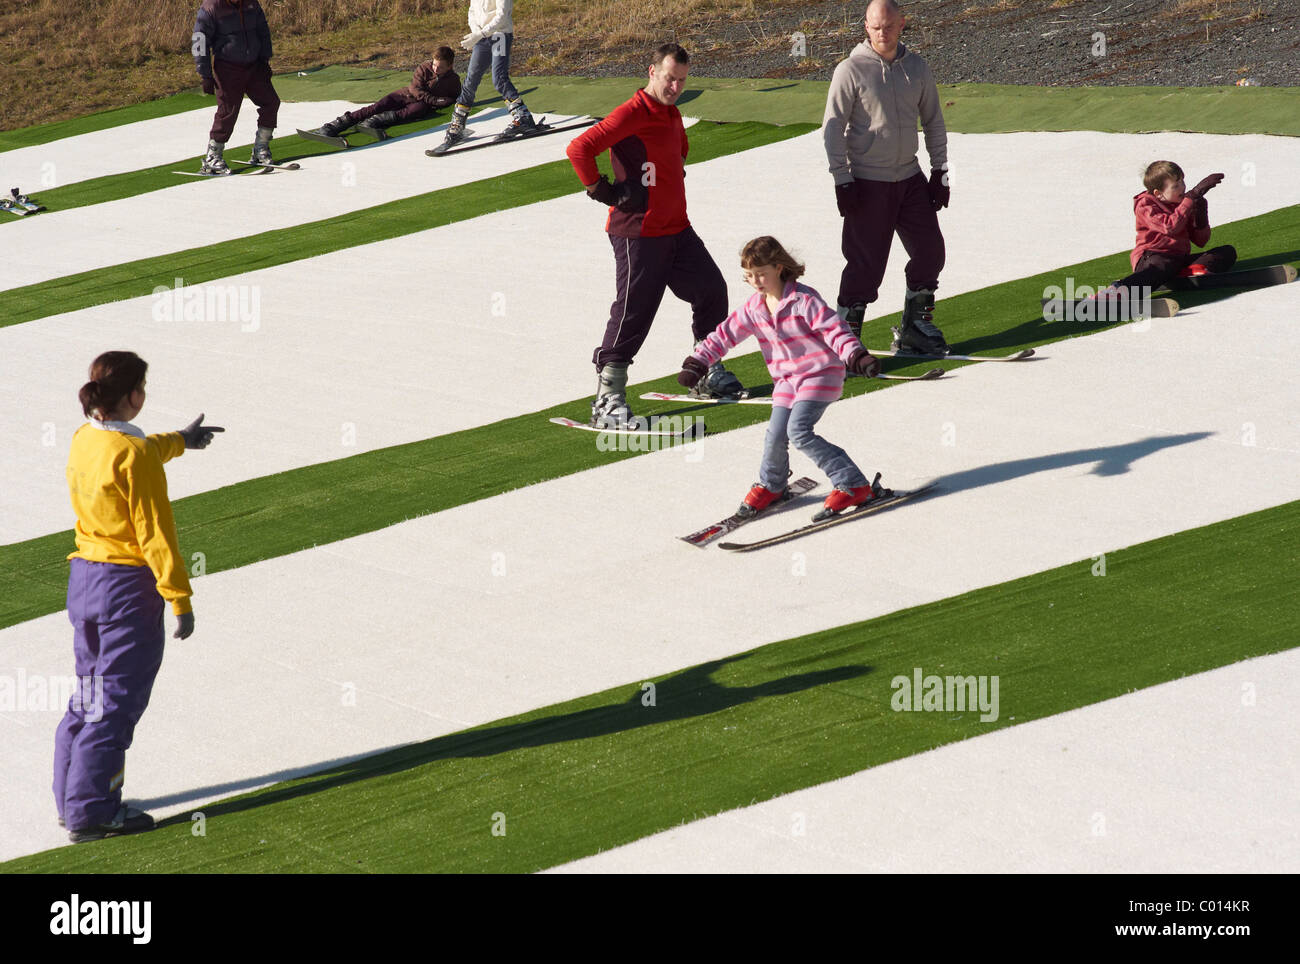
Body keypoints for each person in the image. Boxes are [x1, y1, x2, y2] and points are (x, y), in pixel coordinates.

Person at [55, 352, 224, 843]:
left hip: (84, 579)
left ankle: (70, 799)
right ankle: (93, 811)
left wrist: (180, 442)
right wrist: (179, 598)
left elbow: (131, 454)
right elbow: (155, 534)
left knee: (87, 695)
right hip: (127, 590)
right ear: (134, 395)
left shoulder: (84, 437)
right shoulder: (135, 454)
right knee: (116, 704)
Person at [566, 42, 744, 429]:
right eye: (669, 78)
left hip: (677, 229)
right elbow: (579, 148)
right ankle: (608, 398)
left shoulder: (673, 114)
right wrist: (603, 190)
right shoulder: (632, 112)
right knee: (634, 311)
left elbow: (679, 156)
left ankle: (707, 369)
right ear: (651, 72)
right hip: (638, 234)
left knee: (711, 290)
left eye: (681, 80)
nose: (675, 86)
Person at [677, 237, 885, 518]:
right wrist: (698, 361)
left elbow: (834, 329)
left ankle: (852, 483)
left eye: (761, 273)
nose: (756, 281)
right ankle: (772, 484)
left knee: (798, 431)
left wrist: (856, 356)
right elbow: (724, 334)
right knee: (775, 436)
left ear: (778, 267)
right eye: (749, 275)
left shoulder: (804, 300)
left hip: (820, 374)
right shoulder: (755, 308)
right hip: (787, 381)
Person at [824, 0, 951, 355]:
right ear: (866, 26)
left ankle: (914, 327)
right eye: (876, 27)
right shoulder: (850, 70)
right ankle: (844, 342)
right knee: (865, 266)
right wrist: (841, 179)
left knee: (930, 253)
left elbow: (933, 121)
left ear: (902, 24)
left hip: (909, 178)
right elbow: (832, 128)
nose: (883, 33)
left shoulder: (917, 67)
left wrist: (939, 170)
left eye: (889, 26)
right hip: (867, 183)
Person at [1110, 161, 1236, 292]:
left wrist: (1200, 214)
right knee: (1163, 265)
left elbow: (1200, 241)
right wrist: (1192, 196)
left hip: (1177, 259)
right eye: (1175, 186)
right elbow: (1169, 227)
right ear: (1158, 193)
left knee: (1226, 252)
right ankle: (1118, 290)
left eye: (1182, 182)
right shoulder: (1145, 205)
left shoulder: (1182, 203)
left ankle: (1183, 273)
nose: (1182, 188)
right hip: (1152, 258)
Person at [433, 0, 537, 152]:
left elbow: (502, 15)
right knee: (471, 80)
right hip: (482, 38)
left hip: (500, 35)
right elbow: (472, 11)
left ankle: (523, 117)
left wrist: (481, 33)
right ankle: (458, 124)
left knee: (499, 78)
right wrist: (476, 32)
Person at [192, 0, 281, 173]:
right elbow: (200, 41)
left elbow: (263, 30)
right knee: (228, 111)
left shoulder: (251, 4)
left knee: (271, 102)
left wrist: (265, 58)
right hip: (227, 67)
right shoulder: (211, 8)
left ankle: (260, 149)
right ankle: (213, 156)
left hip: (254, 65)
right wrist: (205, 74)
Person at [314, 47, 462, 141]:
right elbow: (415, 89)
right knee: (378, 106)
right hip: (405, 95)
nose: (436, 70)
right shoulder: (424, 68)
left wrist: (437, 102)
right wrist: (434, 100)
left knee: (418, 109)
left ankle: (374, 122)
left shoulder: (453, 80)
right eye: (435, 65)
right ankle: (335, 125)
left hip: (420, 105)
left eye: (440, 67)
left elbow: (452, 98)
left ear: (450, 66)